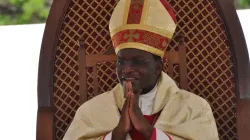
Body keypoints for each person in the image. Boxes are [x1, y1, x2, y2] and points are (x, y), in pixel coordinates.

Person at [63, 0, 219, 139]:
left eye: (138, 62)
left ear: (157, 67)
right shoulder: (91, 111)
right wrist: (117, 134)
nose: (127, 70)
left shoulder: (194, 108)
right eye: (121, 62)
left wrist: (146, 130)